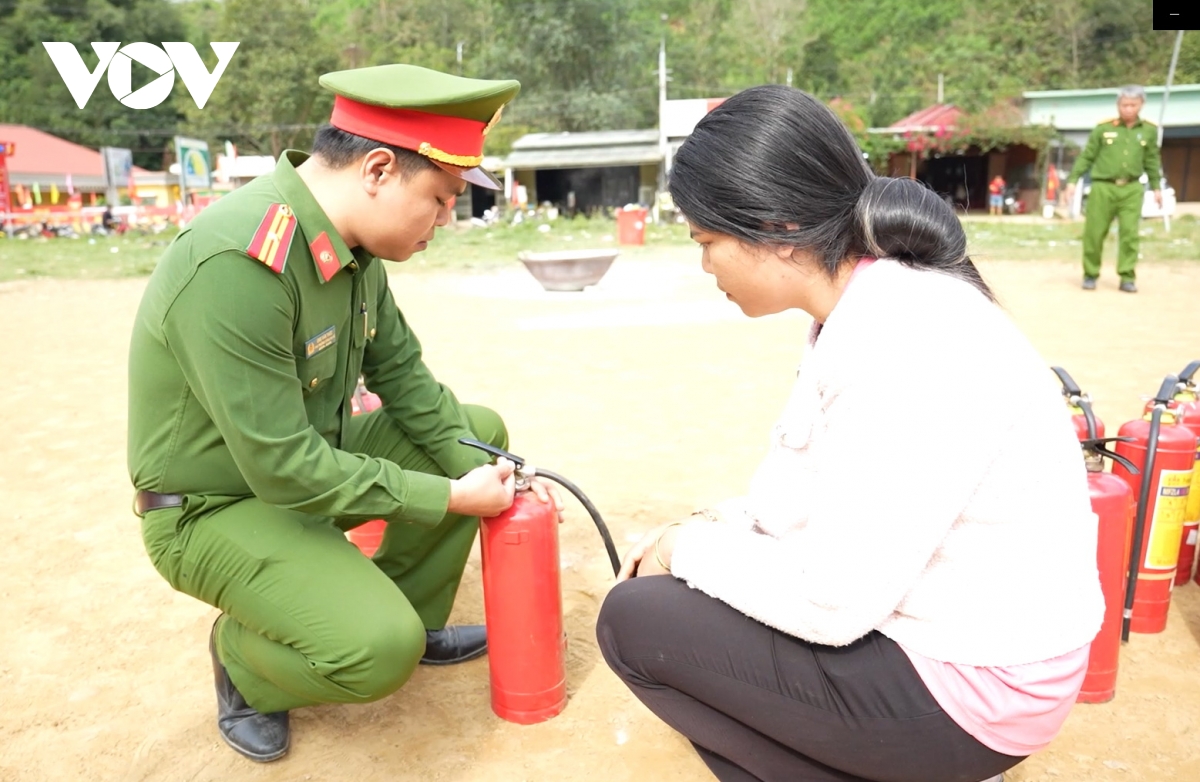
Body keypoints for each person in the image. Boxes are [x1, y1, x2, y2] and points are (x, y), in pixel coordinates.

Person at [596, 85, 1104, 782]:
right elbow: (792, 504)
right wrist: (692, 534)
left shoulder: (902, 339)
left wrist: (684, 548)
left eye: (706, 240)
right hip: (960, 647)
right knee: (678, 597)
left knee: (637, 624)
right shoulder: (862, 306)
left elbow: (830, 603)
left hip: (981, 685)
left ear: (772, 227)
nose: (705, 265)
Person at [127, 63, 562, 763]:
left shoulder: (356, 251)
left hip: (304, 469)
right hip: (214, 506)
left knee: (474, 435)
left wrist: (502, 473)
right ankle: (244, 662)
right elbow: (280, 467)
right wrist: (450, 496)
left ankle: (400, 616)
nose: (447, 219)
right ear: (380, 169)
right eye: (442, 198)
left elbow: (406, 381)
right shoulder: (241, 261)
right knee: (373, 652)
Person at [1065, 85, 1163, 293]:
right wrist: (1073, 180)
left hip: (1132, 189)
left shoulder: (1149, 131)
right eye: (1124, 104)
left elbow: (1152, 160)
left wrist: (1156, 187)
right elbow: (1087, 156)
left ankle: (1127, 276)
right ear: (1118, 105)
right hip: (1103, 187)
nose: (1128, 109)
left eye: (1132, 105)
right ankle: (1090, 274)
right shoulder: (1103, 129)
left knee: (1130, 234)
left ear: (1141, 105)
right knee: (1094, 233)